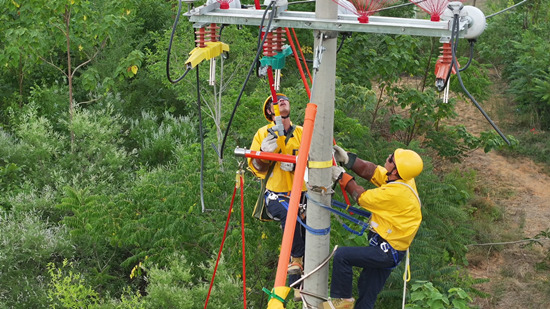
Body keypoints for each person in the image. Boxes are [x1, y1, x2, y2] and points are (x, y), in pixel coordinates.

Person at [320, 146, 424, 309]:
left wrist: (341, 176)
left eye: (391, 160)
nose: (388, 157)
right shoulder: (403, 178)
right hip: (391, 248)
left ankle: (342, 301)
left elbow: (361, 197)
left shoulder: (396, 193)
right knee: (367, 291)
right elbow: (373, 171)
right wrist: (348, 159)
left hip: (387, 250)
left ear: (396, 171)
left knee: (342, 255)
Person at [247, 93, 307, 300]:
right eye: (276, 101)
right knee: (290, 216)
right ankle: (297, 258)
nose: (281, 100)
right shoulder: (263, 133)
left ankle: (299, 285)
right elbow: (256, 167)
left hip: (303, 193)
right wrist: (264, 154)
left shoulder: (302, 132)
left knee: (307, 234)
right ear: (269, 112)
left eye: (284, 99)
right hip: (276, 193)